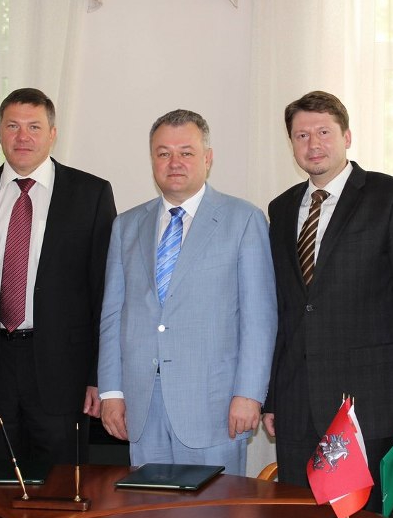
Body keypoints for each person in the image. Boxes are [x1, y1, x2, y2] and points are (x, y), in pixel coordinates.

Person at [263, 91, 393, 511]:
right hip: (297, 404)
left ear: (347, 136)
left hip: (368, 405)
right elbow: (284, 311)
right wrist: (273, 398)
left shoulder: (391, 197)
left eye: (324, 132)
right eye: (302, 135)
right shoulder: (281, 209)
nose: (313, 144)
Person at [97, 109, 276, 475]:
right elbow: (113, 314)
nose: (174, 162)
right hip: (141, 407)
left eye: (186, 152)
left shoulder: (244, 220)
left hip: (215, 407)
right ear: (152, 160)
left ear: (207, 159)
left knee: (213, 507)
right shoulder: (126, 225)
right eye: (163, 153)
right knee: (148, 508)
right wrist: (111, 392)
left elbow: (259, 319)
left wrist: (249, 393)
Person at [0, 88, 116, 465]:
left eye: (34, 127)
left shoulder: (91, 194)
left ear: (52, 134)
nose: (23, 136)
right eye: (13, 126)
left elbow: (105, 295)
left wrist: (99, 376)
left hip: (63, 371)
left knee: (61, 487)